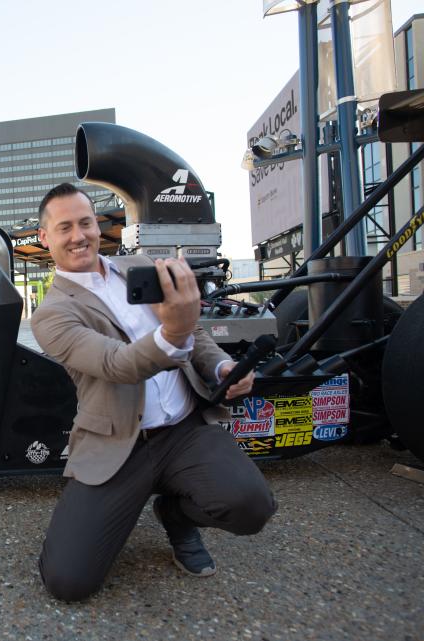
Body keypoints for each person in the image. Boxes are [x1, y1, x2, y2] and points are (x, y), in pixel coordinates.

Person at [30, 183, 276, 602]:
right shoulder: (52, 314)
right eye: (65, 227)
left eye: (86, 222)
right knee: (67, 582)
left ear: (98, 224)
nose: (79, 236)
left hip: (185, 430)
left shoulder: (140, 268)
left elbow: (194, 336)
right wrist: (174, 328)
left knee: (251, 507)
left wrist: (221, 366)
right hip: (119, 445)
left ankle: (176, 516)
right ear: (45, 237)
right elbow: (117, 364)